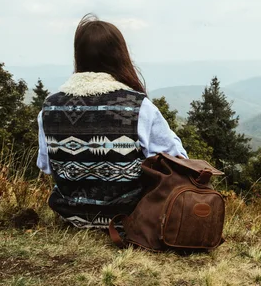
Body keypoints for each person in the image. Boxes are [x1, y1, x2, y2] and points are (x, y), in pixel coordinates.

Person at [36, 14, 187, 229]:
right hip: (129, 219)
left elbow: (46, 166)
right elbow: (176, 160)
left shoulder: (49, 107)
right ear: (120, 55)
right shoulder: (138, 107)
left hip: (72, 219)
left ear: (78, 56)